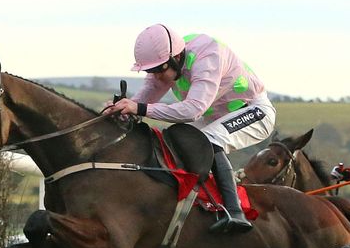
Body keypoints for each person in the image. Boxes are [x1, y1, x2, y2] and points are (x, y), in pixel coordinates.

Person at [107, 23, 276, 234]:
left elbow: (192, 111)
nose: (156, 76)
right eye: (151, 71)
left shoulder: (208, 57)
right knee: (176, 143)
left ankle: (235, 212)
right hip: (215, 115)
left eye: (159, 70)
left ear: (176, 58)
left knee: (209, 141)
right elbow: (151, 89)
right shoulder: (168, 59)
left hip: (254, 110)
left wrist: (139, 108)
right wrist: (123, 109)